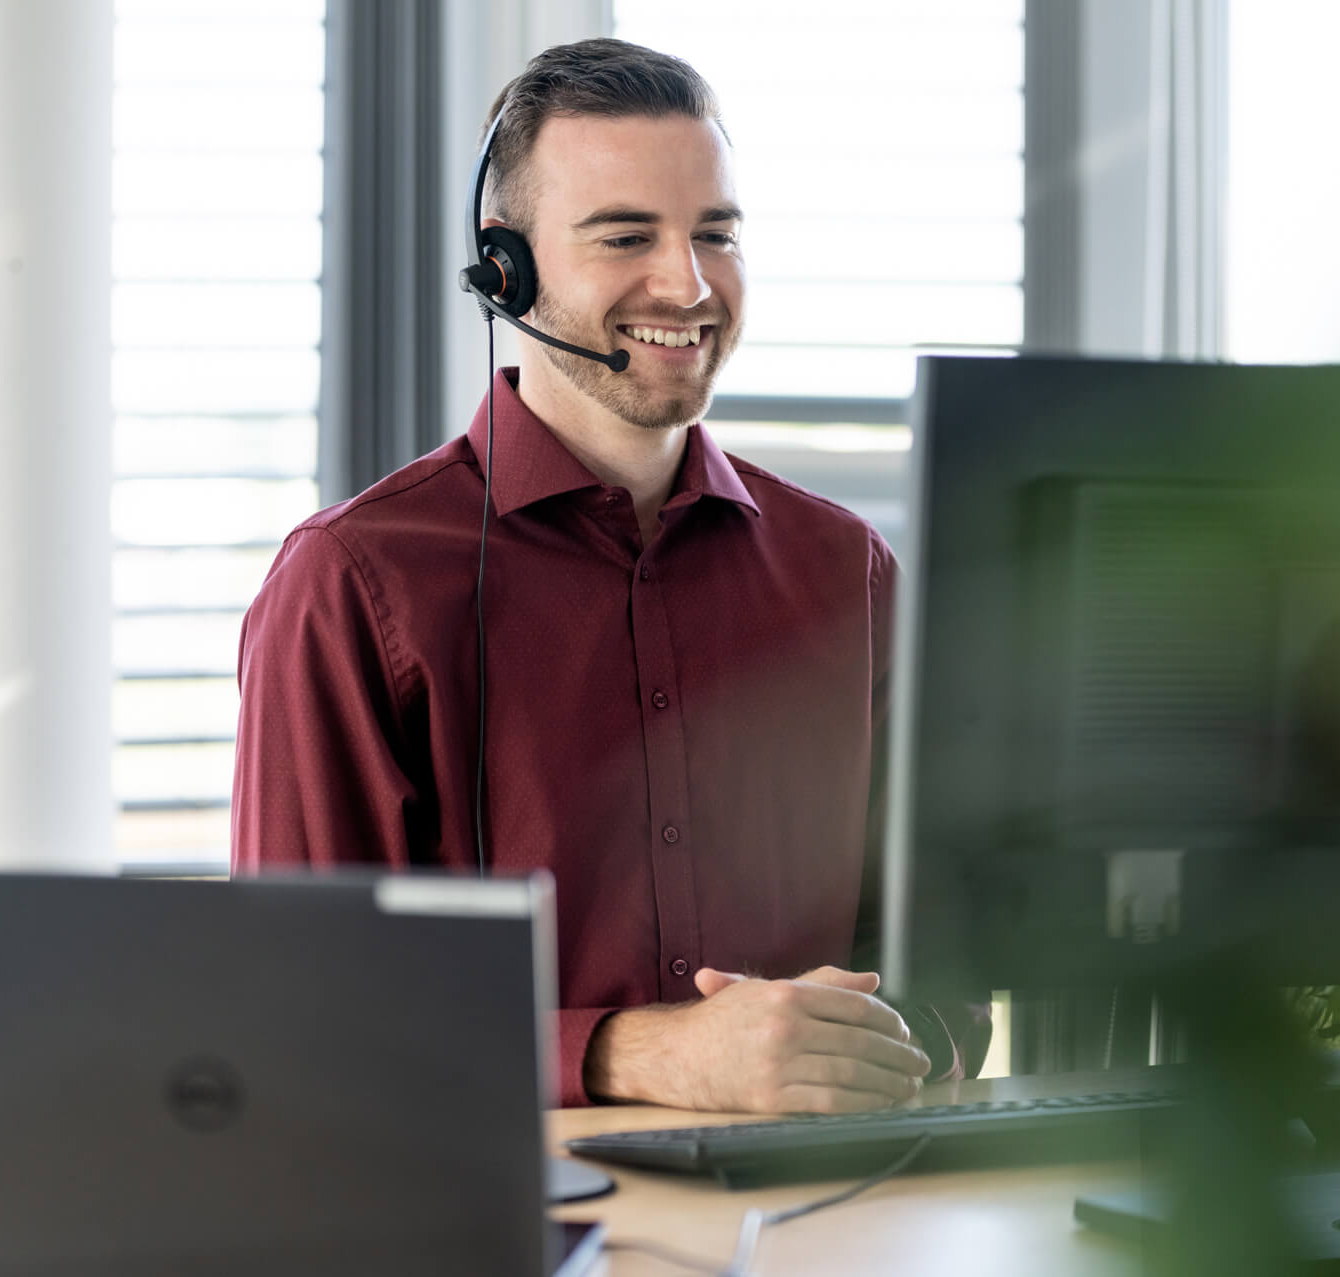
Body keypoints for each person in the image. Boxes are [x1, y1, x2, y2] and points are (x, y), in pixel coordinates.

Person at [231, 38, 987, 1110]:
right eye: (626, 235)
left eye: (714, 234)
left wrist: (879, 1036)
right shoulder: (352, 583)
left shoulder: (846, 573)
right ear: (508, 269)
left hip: (825, 1217)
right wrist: (643, 1053)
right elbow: (296, 1015)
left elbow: (950, 973)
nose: (686, 283)